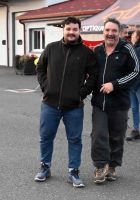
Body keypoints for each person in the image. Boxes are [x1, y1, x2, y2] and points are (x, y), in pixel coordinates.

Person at [35, 16, 98, 188]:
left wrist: (82, 93)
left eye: (75, 29)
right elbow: (40, 67)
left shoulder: (87, 53)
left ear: (79, 31)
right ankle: (45, 167)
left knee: (75, 139)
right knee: (46, 137)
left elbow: (93, 76)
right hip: (50, 103)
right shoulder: (51, 48)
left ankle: (73, 171)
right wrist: (45, 86)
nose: (71, 32)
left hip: (74, 106)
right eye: (68, 29)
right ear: (63, 30)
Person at [91, 18, 139, 184]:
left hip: (119, 103)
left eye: (114, 31)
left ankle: (112, 166)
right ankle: (100, 166)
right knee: (98, 135)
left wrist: (115, 84)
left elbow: (136, 72)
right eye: (107, 30)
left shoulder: (127, 49)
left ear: (119, 32)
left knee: (117, 137)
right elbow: (90, 73)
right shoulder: (97, 50)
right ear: (103, 32)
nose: (110, 34)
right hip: (99, 103)